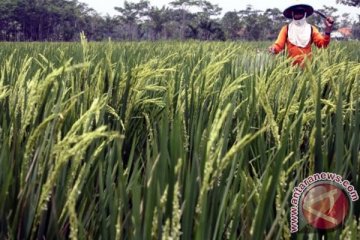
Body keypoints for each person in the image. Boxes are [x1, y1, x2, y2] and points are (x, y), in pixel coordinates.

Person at [268, 3, 334, 66]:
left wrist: (328, 30)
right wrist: (273, 49)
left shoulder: (311, 29)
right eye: (296, 12)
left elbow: (322, 45)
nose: (298, 14)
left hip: (307, 70)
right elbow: (279, 45)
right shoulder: (286, 29)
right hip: (289, 70)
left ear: (304, 13)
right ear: (292, 14)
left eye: (300, 11)